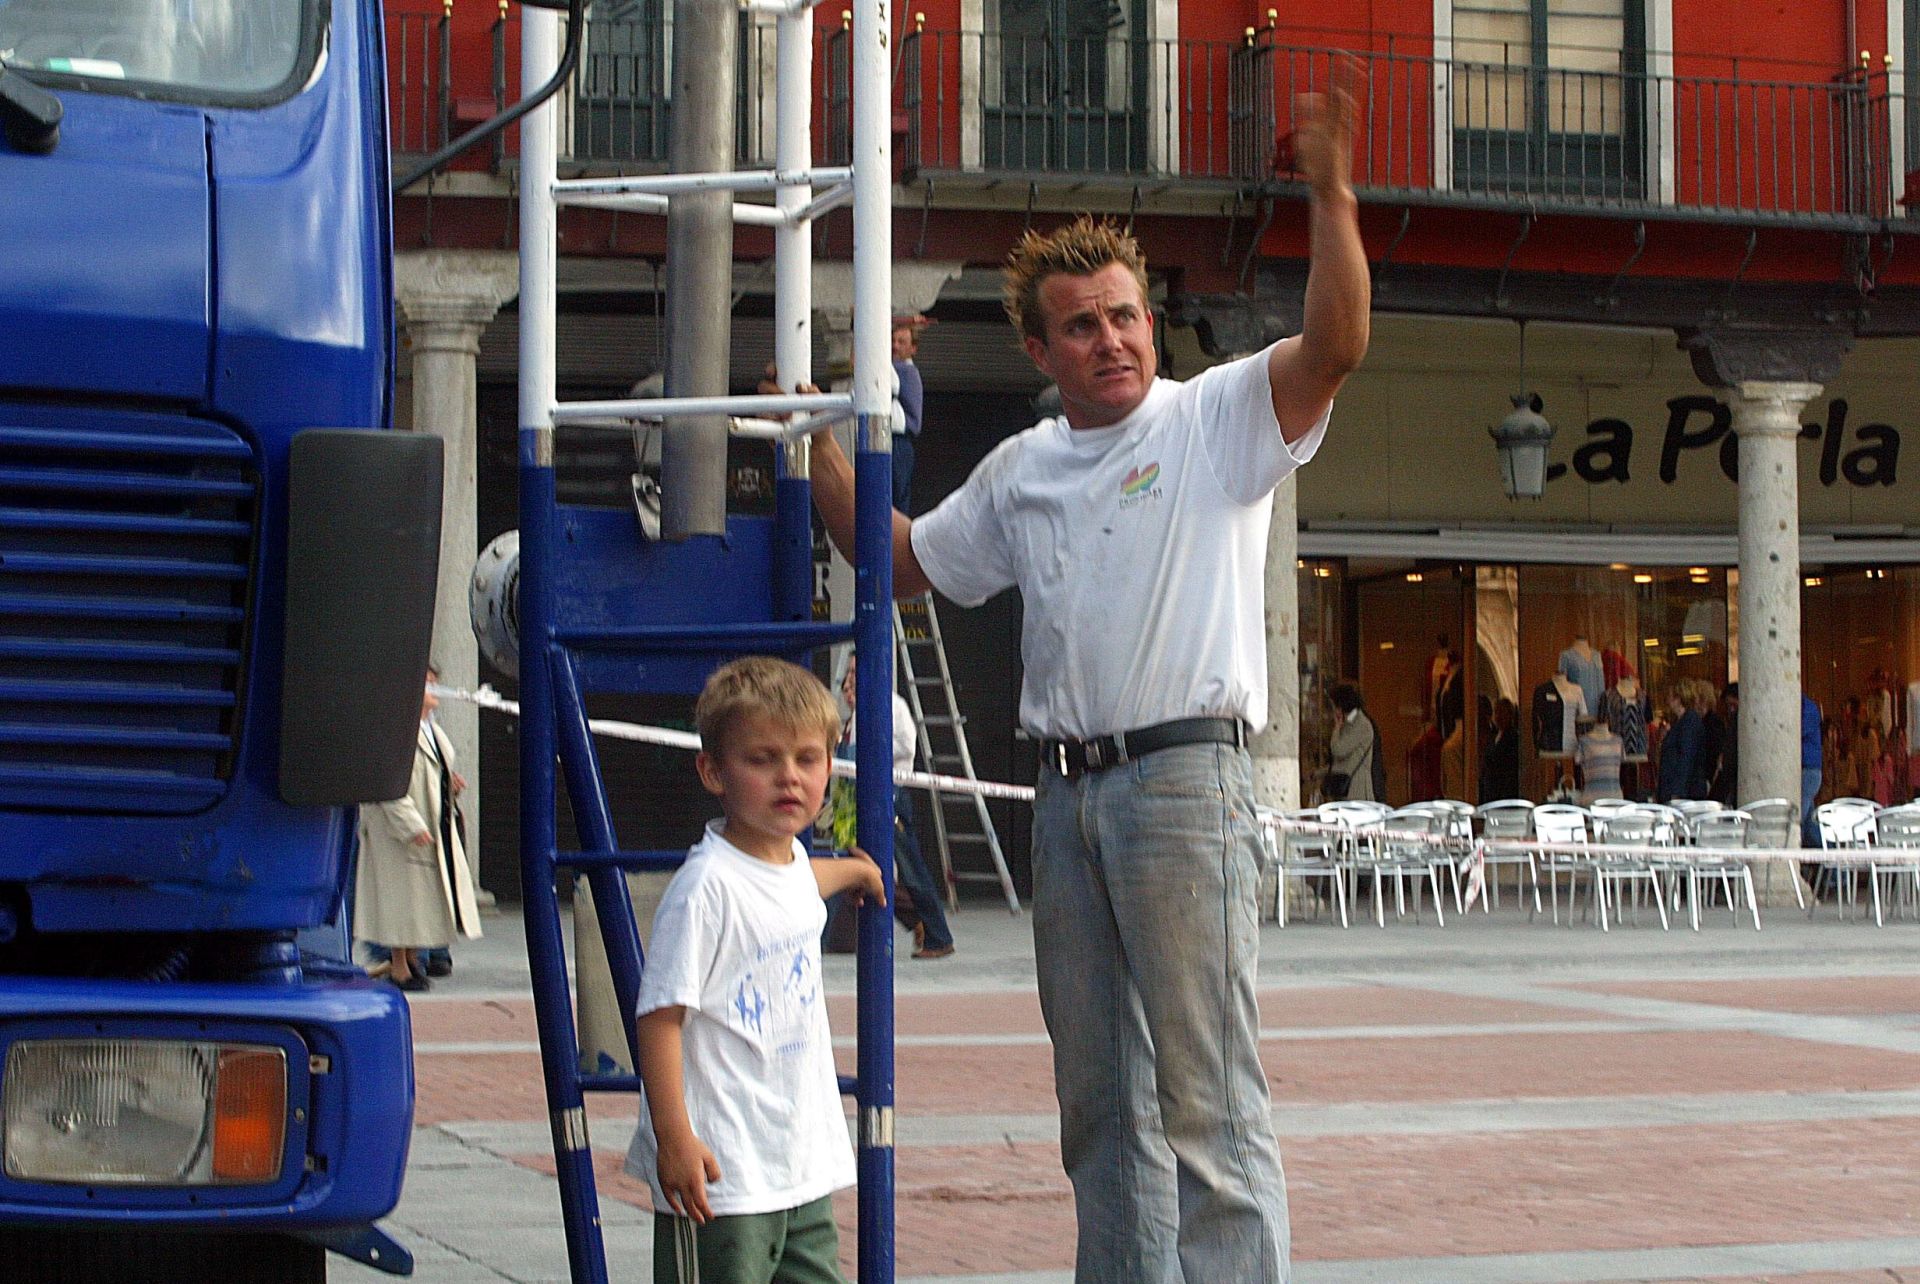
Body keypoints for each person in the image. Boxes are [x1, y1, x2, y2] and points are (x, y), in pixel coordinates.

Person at [796, 56, 1368, 1282]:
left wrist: (1333, 199)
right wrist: (813, 452)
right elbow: (900, 561)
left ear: (1150, 321)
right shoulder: (1023, 468)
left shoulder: (1213, 417)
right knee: (1099, 1112)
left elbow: (1335, 344)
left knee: (1212, 1109)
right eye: (1081, 325)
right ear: (1040, 348)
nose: (1110, 339)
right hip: (1065, 803)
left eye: (1124, 315)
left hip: (1182, 791)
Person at [627, 657, 885, 1284]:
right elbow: (659, 1020)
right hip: (724, 1171)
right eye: (762, 759)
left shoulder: (792, 861)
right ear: (712, 770)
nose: (789, 778)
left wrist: (853, 870)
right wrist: (674, 1138)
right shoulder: (705, 890)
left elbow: (796, 886)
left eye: (807, 758)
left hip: (799, 1164)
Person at [354, 667, 482, 992]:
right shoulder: (395, 731)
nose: (435, 690)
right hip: (398, 831)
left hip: (430, 822)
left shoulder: (431, 731)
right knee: (401, 899)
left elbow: (432, 774)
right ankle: (399, 965)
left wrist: (450, 785)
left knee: (419, 901)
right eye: (428, 685)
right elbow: (386, 782)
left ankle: (410, 959)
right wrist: (410, 824)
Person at [839, 652, 955, 958]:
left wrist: (871, 744)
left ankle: (938, 935)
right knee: (871, 864)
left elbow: (906, 745)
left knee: (911, 868)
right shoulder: (855, 711)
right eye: (848, 672)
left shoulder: (893, 705)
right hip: (859, 796)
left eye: (856, 670)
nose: (851, 678)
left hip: (889, 794)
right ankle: (914, 920)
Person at [891, 314, 929, 512]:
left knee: (895, 497)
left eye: (902, 342)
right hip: (895, 441)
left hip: (899, 441)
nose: (895, 346)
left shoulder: (905, 372)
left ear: (913, 348)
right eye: (893, 341)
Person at [1326, 683, 1382, 802]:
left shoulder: (1361, 725)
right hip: (1346, 789)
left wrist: (1336, 728)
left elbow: (1338, 750)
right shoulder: (1349, 723)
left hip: (1357, 790)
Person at [1656, 682, 1708, 803]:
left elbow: (1686, 757)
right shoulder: (1681, 721)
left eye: (1670, 696)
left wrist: (1677, 792)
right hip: (1677, 787)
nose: (1667, 700)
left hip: (1684, 791)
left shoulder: (1689, 721)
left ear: (1678, 699)